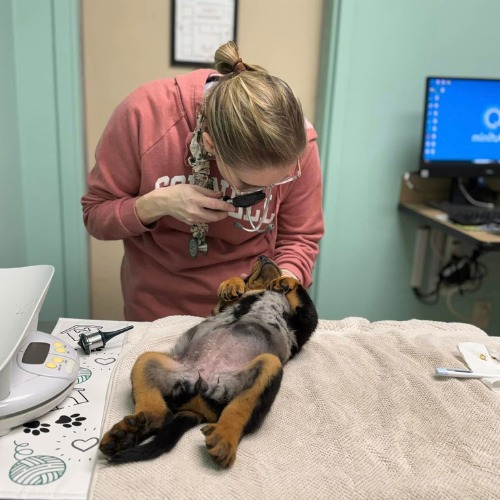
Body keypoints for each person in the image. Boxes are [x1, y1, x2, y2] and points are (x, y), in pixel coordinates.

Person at [81, 41, 324, 322]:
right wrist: (158, 204)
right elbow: (96, 215)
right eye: (248, 185)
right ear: (210, 145)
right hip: (156, 313)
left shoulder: (299, 142)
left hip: (247, 312)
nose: (264, 194)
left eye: (280, 179)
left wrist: (278, 287)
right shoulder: (143, 115)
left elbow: (300, 238)